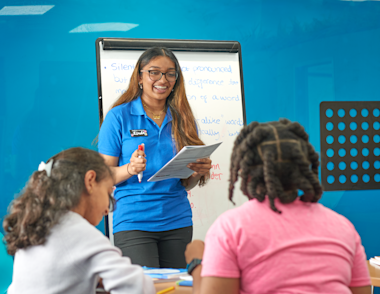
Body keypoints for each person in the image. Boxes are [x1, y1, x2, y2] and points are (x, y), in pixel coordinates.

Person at [185, 119, 371, 294]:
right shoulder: (343, 226)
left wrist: (197, 262)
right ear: (303, 167)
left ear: (244, 171)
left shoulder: (231, 227)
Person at [98, 47, 212, 268]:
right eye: (154, 72)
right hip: (133, 221)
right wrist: (130, 169)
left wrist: (198, 172)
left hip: (177, 220)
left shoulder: (184, 119)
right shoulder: (118, 116)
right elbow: (103, 176)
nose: (163, 79)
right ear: (140, 76)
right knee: (144, 288)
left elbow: (186, 183)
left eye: (170, 73)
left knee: (177, 290)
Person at [3, 147, 155, 294]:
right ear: (90, 181)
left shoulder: (37, 225)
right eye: (108, 193)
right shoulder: (77, 231)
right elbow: (137, 288)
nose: (107, 209)